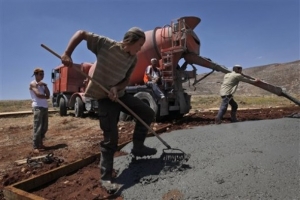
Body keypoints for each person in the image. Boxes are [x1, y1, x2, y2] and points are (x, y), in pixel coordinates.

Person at [60, 28, 157, 193]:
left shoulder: (132, 58)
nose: (140, 48)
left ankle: (138, 147)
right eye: (139, 44)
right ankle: (106, 177)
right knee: (111, 138)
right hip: (104, 99)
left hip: (120, 95)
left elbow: (126, 80)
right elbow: (82, 33)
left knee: (148, 113)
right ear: (130, 40)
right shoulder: (105, 45)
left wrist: (116, 88)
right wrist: (67, 53)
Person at [29, 68, 50, 154]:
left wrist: (45, 85)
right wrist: (45, 96)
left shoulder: (42, 85)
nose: (42, 76)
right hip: (37, 107)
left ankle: (40, 143)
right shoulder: (33, 84)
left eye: (43, 74)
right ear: (36, 75)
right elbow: (38, 95)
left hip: (44, 107)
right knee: (37, 127)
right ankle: (35, 146)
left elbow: (48, 95)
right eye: (41, 74)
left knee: (44, 127)